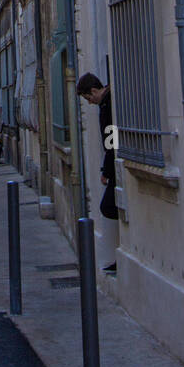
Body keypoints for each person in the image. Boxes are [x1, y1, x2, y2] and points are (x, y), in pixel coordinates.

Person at [77, 70, 118, 272]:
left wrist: (107, 171)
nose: (89, 102)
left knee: (108, 207)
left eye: (88, 97)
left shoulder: (107, 105)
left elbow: (111, 140)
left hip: (115, 164)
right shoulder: (109, 100)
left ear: (94, 90)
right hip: (114, 163)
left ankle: (122, 255)